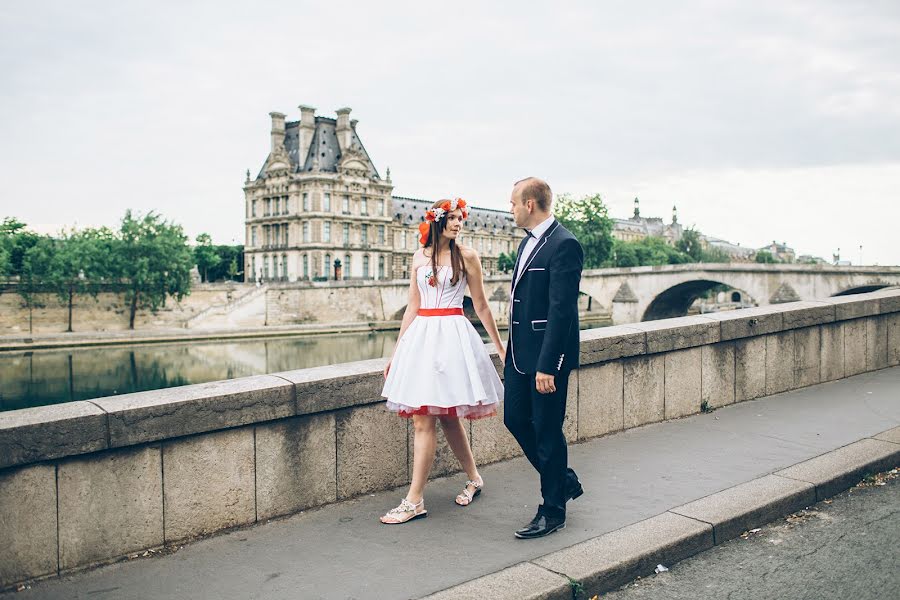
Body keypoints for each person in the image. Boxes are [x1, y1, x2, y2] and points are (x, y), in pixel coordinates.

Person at [380, 198, 505, 524]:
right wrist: (395, 354)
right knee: (436, 417)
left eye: (460, 218)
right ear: (437, 221)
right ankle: (472, 479)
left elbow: (481, 306)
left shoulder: (468, 257)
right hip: (422, 338)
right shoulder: (419, 257)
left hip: (451, 336)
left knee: (439, 418)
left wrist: (501, 348)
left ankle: (415, 500)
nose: (458, 223)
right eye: (452, 218)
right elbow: (412, 306)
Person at [504, 177, 584, 539]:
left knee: (548, 432)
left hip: (545, 360)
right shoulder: (527, 244)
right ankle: (563, 479)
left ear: (530, 204)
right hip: (519, 354)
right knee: (515, 419)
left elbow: (561, 310)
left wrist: (548, 365)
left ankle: (553, 511)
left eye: (513, 203)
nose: (511, 209)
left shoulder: (565, 245)